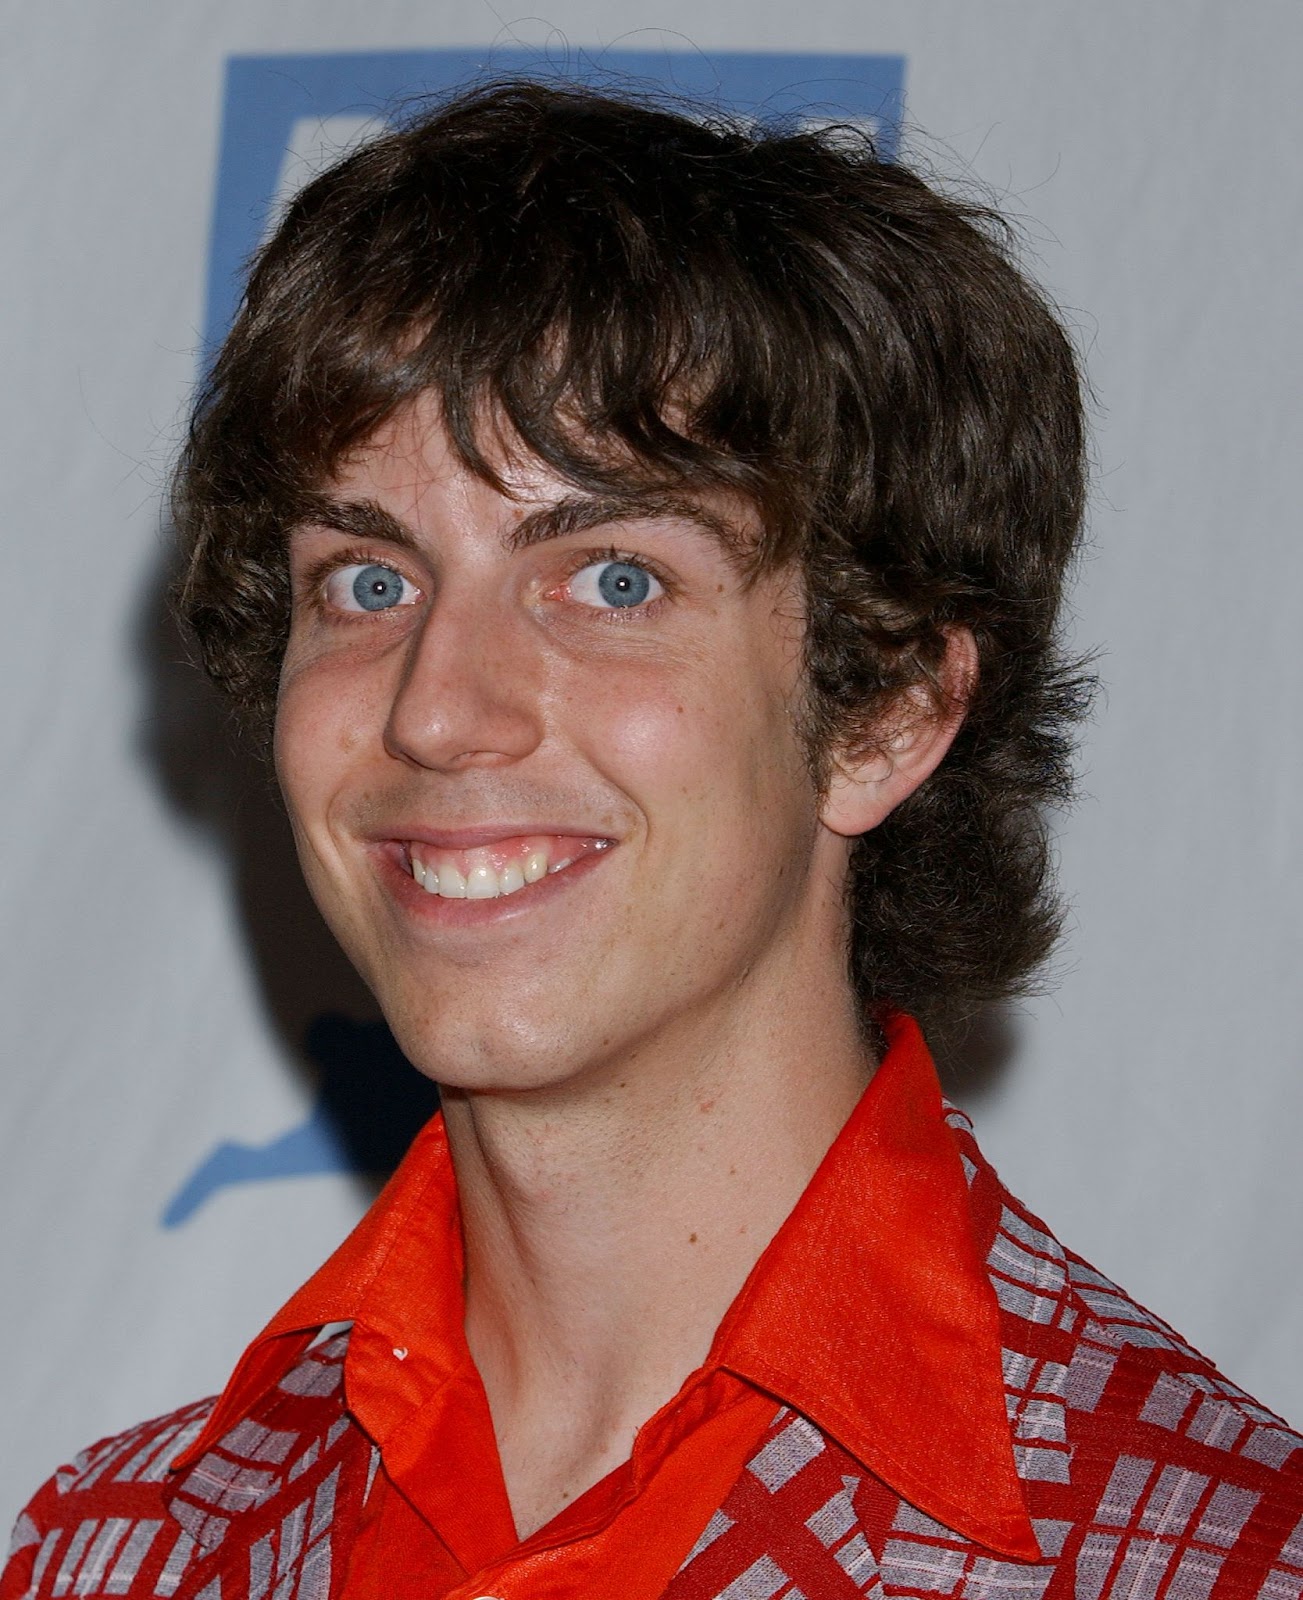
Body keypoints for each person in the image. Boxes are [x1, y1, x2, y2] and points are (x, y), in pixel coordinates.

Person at [4, 78, 1300, 1600]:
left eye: (611, 578)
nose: (440, 710)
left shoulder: (1216, 1562)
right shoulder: (110, 1556)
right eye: (365, 581)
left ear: (883, 709)